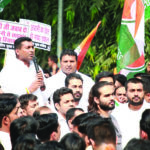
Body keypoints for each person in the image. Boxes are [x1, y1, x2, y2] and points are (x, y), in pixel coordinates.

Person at [0, 37, 46, 106]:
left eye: (32, 47)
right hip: (22, 111)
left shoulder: (36, 67)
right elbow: (7, 96)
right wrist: (28, 90)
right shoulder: (9, 69)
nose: (32, 50)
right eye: (28, 48)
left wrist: (42, 84)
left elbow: (43, 90)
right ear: (17, 51)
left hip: (39, 108)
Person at [112, 78, 149, 148]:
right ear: (126, 92)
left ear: (144, 92)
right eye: (132, 91)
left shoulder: (148, 110)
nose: (136, 94)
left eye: (139, 90)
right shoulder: (117, 112)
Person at [88, 81, 122, 150]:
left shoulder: (113, 118)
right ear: (96, 100)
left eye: (113, 94)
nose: (112, 98)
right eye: (107, 95)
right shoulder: (92, 122)